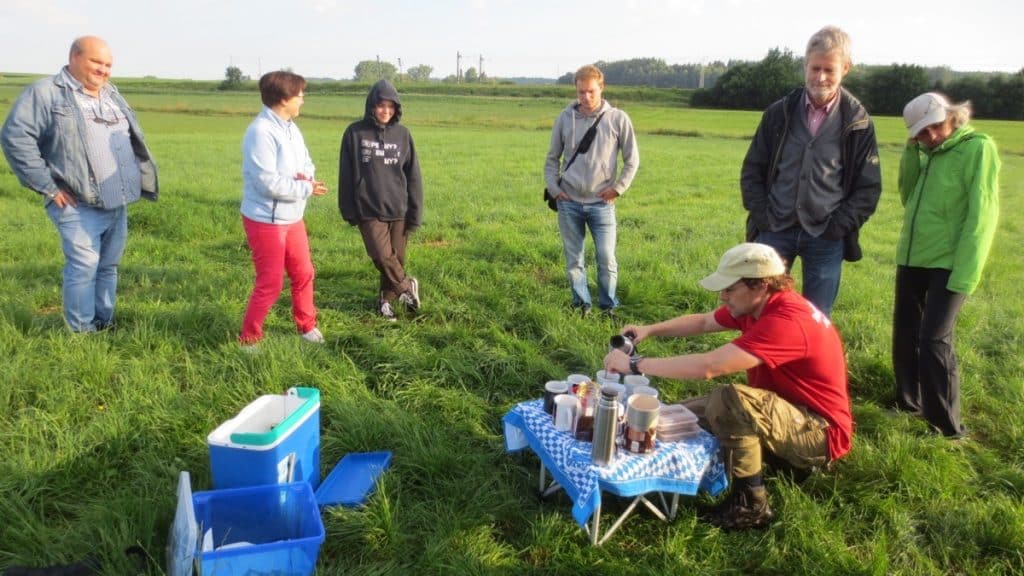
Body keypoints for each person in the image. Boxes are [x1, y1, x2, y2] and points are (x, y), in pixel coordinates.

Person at [603, 243, 852, 529]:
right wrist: (651, 330)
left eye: (729, 289)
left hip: (819, 431)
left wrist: (635, 365)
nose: (722, 296)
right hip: (787, 410)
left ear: (760, 284)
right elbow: (704, 322)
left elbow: (709, 367)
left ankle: (751, 504)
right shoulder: (762, 303)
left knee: (729, 400)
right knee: (674, 417)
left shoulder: (787, 321)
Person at [1, 36, 159, 332]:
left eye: (108, 64)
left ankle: (104, 322)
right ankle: (82, 332)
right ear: (74, 57)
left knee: (108, 267)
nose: (103, 70)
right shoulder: (46, 93)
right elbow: (14, 137)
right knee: (84, 267)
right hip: (77, 203)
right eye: (96, 62)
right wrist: (47, 186)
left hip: (117, 201)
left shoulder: (111, 93)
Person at [740, 25, 881, 318]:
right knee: (763, 310)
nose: (821, 77)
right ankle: (769, 364)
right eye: (814, 68)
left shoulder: (858, 122)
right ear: (805, 65)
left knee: (817, 317)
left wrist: (838, 227)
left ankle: (808, 365)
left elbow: (868, 188)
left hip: (826, 235)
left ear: (846, 68)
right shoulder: (779, 113)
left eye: (829, 70)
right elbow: (752, 169)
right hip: (775, 229)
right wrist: (764, 217)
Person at [892, 92, 1000, 438]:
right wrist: (912, 152)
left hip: (950, 264)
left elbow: (982, 215)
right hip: (913, 257)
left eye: (936, 126)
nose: (932, 136)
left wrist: (966, 272)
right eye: (921, 133)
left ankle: (946, 426)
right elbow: (907, 195)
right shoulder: (925, 152)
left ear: (952, 116)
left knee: (934, 339)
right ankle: (908, 403)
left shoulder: (978, 149)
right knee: (906, 334)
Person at [239, 71, 327, 346]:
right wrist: (306, 189)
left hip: (293, 216)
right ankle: (249, 338)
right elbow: (267, 182)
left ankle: (306, 326)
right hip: (266, 219)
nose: (303, 100)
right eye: (300, 95)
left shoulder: (290, 127)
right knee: (271, 282)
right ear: (284, 98)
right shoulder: (260, 132)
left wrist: (307, 178)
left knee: (304, 273)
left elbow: (306, 162)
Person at [544, 64, 639, 318]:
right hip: (569, 202)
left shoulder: (618, 119)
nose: (585, 97)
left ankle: (609, 306)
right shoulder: (565, 118)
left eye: (591, 92)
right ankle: (581, 304)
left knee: (606, 259)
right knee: (574, 260)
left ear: (601, 88)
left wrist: (618, 188)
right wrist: (554, 189)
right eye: (580, 92)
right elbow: (552, 158)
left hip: (602, 204)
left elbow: (632, 160)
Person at [339, 79, 423, 321]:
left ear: (397, 108)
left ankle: (386, 301)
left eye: (391, 106)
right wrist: (348, 208)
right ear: (371, 106)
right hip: (368, 208)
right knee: (380, 255)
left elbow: (413, 176)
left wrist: (415, 214)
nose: (386, 111)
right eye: (380, 106)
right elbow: (346, 173)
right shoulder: (355, 133)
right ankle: (407, 288)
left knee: (394, 259)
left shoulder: (403, 135)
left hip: (399, 208)